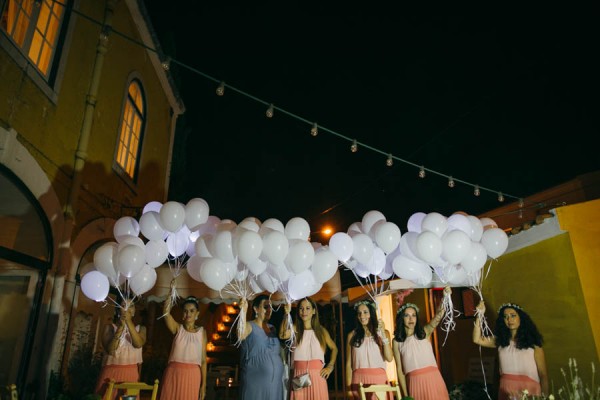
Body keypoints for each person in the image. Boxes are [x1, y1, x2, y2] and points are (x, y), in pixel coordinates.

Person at [472, 301, 548, 400]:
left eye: (513, 315)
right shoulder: (500, 341)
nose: (509, 319)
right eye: (505, 316)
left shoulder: (533, 344)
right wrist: (479, 315)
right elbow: (476, 339)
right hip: (506, 390)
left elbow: (543, 375)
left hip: (530, 390)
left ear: (521, 317)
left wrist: (544, 397)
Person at [392, 287, 451, 400]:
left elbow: (438, 316)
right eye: (407, 315)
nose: (411, 318)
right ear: (401, 318)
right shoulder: (396, 342)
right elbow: (399, 370)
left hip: (433, 379)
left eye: (413, 315)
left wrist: (445, 298)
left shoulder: (424, 333)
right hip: (414, 383)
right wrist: (405, 395)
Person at [280, 297, 338, 399]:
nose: (304, 311)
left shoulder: (321, 331)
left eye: (307, 308)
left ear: (314, 311)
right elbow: (282, 335)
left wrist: (330, 366)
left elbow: (334, 348)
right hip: (298, 376)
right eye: (301, 308)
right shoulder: (295, 328)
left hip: (317, 376)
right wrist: (286, 314)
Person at [160, 280, 207, 400]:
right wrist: (171, 292)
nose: (188, 314)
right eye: (185, 311)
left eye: (192, 311)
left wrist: (203, 385)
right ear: (182, 314)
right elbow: (165, 313)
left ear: (197, 314)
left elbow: (202, 361)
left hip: (192, 376)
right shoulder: (177, 328)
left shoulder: (202, 332)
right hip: (173, 374)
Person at [95, 296, 146, 398]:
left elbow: (138, 344)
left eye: (131, 306)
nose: (127, 309)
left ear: (134, 311)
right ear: (118, 310)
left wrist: (128, 322)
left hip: (130, 375)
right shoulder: (109, 327)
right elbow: (110, 350)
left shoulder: (141, 329)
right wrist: (121, 328)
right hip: (110, 375)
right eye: (123, 306)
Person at [238, 293, 285, 400]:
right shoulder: (249, 325)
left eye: (271, 307)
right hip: (256, 382)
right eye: (265, 307)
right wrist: (243, 311)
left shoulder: (272, 328)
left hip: (274, 385)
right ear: (256, 309)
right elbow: (240, 334)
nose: (269, 310)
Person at [345, 299, 394, 400]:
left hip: (379, 380)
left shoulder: (384, 333)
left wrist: (383, 334)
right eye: (359, 313)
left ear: (371, 313)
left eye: (365, 312)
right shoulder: (352, 336)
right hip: (359, 380)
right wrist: (348, 389)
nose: (362, 316)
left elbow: (389, 358)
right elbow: (348, 364)